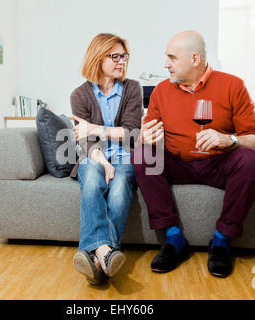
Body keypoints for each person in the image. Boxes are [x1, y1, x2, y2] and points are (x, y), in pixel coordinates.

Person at [131, 30, 255, 277]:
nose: (166, 64)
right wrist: (145, 138)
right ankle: (173, 239)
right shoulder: (161, 91)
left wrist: (230, 139)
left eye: (172, 58)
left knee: (251, 159)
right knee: (141, 154)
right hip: (178, 164)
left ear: (194, 59)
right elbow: (143, 138)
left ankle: (221, 241)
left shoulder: (232, 85)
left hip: (218, 163)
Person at [70, 33, 143, 285]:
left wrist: (94, 128)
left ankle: (95, 260)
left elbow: (132, 134)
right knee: (91, 178)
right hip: (94, 157)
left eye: (124, 56)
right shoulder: (79, 95)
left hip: (125, 157)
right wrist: (103, 162)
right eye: (115, 56)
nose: (121, 61)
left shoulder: (132, 89)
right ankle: (105, 253)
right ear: (98, 57)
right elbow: (85, 140)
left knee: (120, 189)